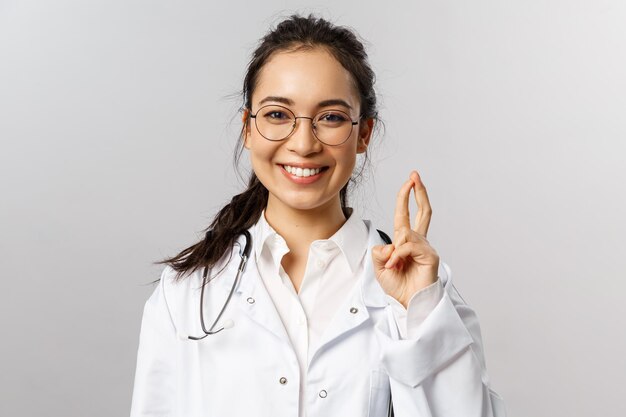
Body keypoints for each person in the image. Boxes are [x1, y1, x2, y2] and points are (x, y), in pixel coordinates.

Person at [130, 13, 506, 417]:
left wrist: (420, 312)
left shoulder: (424, 290)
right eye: (277, 114)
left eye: (331, 117)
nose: (304, 144)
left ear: (363, 134)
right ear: (248, 128)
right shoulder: (187, 292)